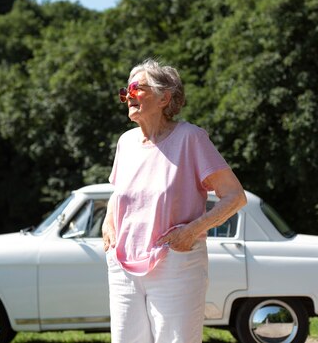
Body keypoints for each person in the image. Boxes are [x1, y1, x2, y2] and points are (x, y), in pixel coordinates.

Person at [102, 59, 247, 343]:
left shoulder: (190, 138)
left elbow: (234, 197)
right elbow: (118, 192)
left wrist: (191, 232)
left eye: (136, 88)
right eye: (125, 91)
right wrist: (109, 225)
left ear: (164, 97)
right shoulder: (126, 142)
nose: (128, 95)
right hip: (123, 265)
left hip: (175, 263)